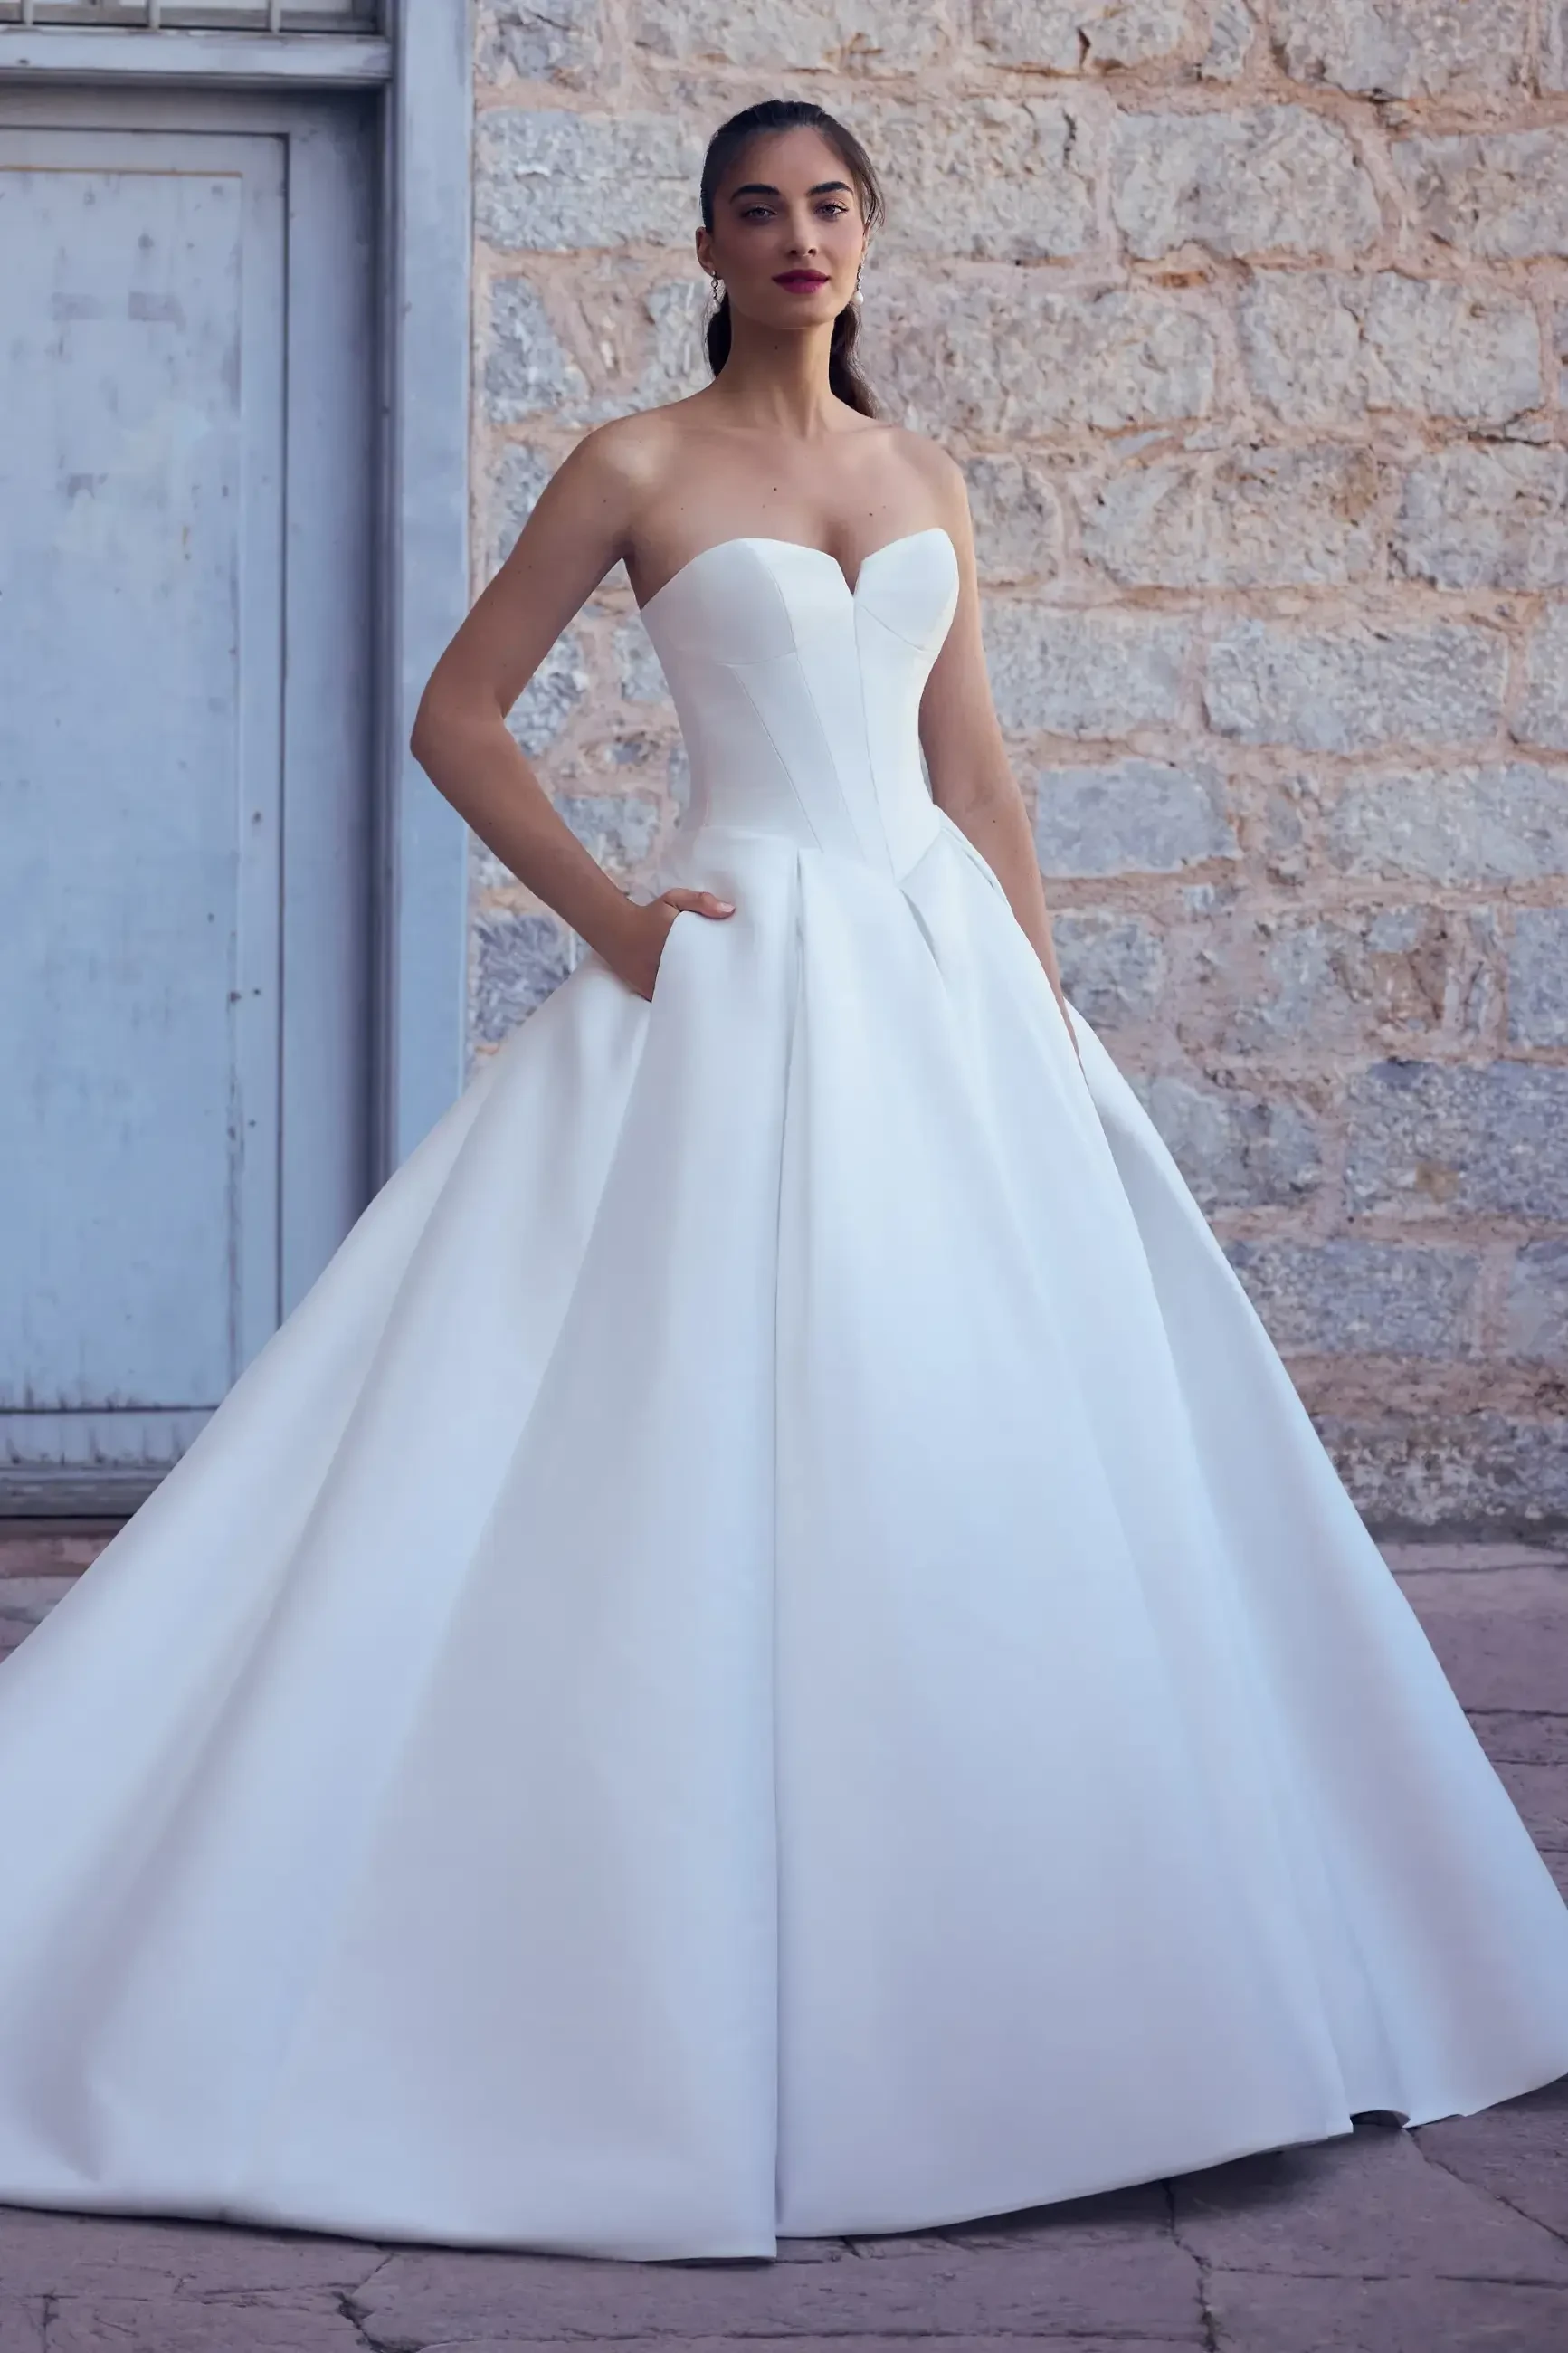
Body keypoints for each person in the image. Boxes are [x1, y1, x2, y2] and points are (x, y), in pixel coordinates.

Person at [0, 97, 1564, 2269]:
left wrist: (1039, 1012)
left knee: (1008, 1452)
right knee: (678, 1441)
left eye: (830, 204)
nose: (799, 237)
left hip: (935, 984)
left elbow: (971, 762)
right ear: (711, 243)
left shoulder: (919, 474)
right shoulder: (635, 466)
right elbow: (460, 717)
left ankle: (1101, 1991)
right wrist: (618, 926)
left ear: (867, 235)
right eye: (760, 209)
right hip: (737, 974)